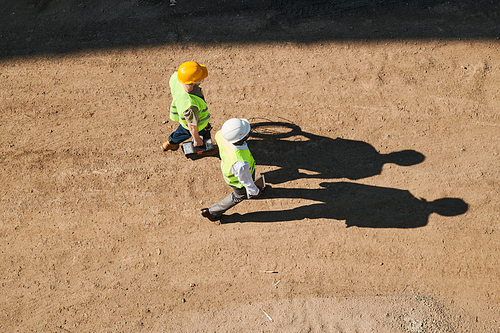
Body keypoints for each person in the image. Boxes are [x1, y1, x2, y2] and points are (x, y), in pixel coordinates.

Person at [201, 118, 264, 224]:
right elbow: (245, 181)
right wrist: (255, 191)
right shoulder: (241, 163)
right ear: (242, 138)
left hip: (228, 166)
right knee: (238, 196)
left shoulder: (221, 134)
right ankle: (212, 212)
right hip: (237, 181)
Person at [162, 61, 212, 151]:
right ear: (192, 82)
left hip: (184, 119)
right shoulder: (190, 104)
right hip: (198, 124)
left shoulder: (176, 77)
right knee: (199, 132)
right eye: (200, 80)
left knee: (181, 132)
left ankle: (170, 143)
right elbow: (192, 126)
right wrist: (196, 139)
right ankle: (205, 148)